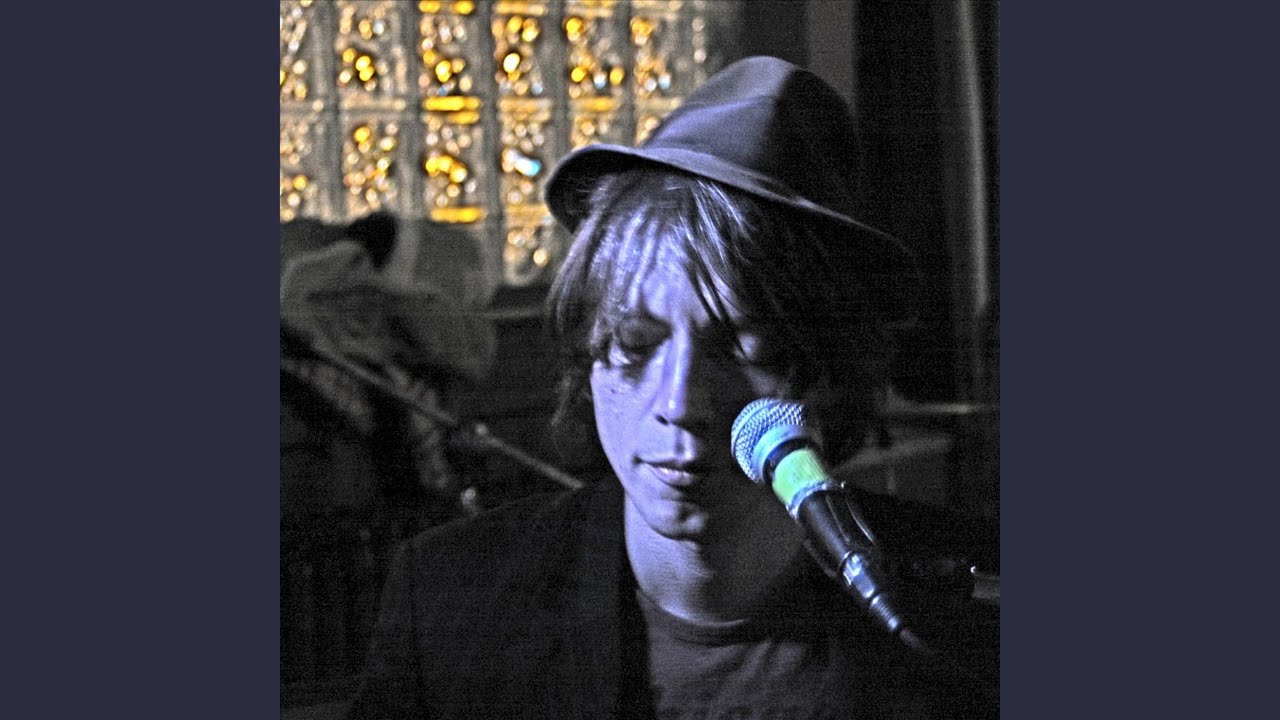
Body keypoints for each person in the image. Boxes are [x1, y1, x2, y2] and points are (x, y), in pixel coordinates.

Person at [346, 56, 997, 720]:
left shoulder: (969, 607)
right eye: (635, 343)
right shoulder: (450, 601)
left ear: (826, 368)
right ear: (589, 355)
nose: (681, 404)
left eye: (742, 347)